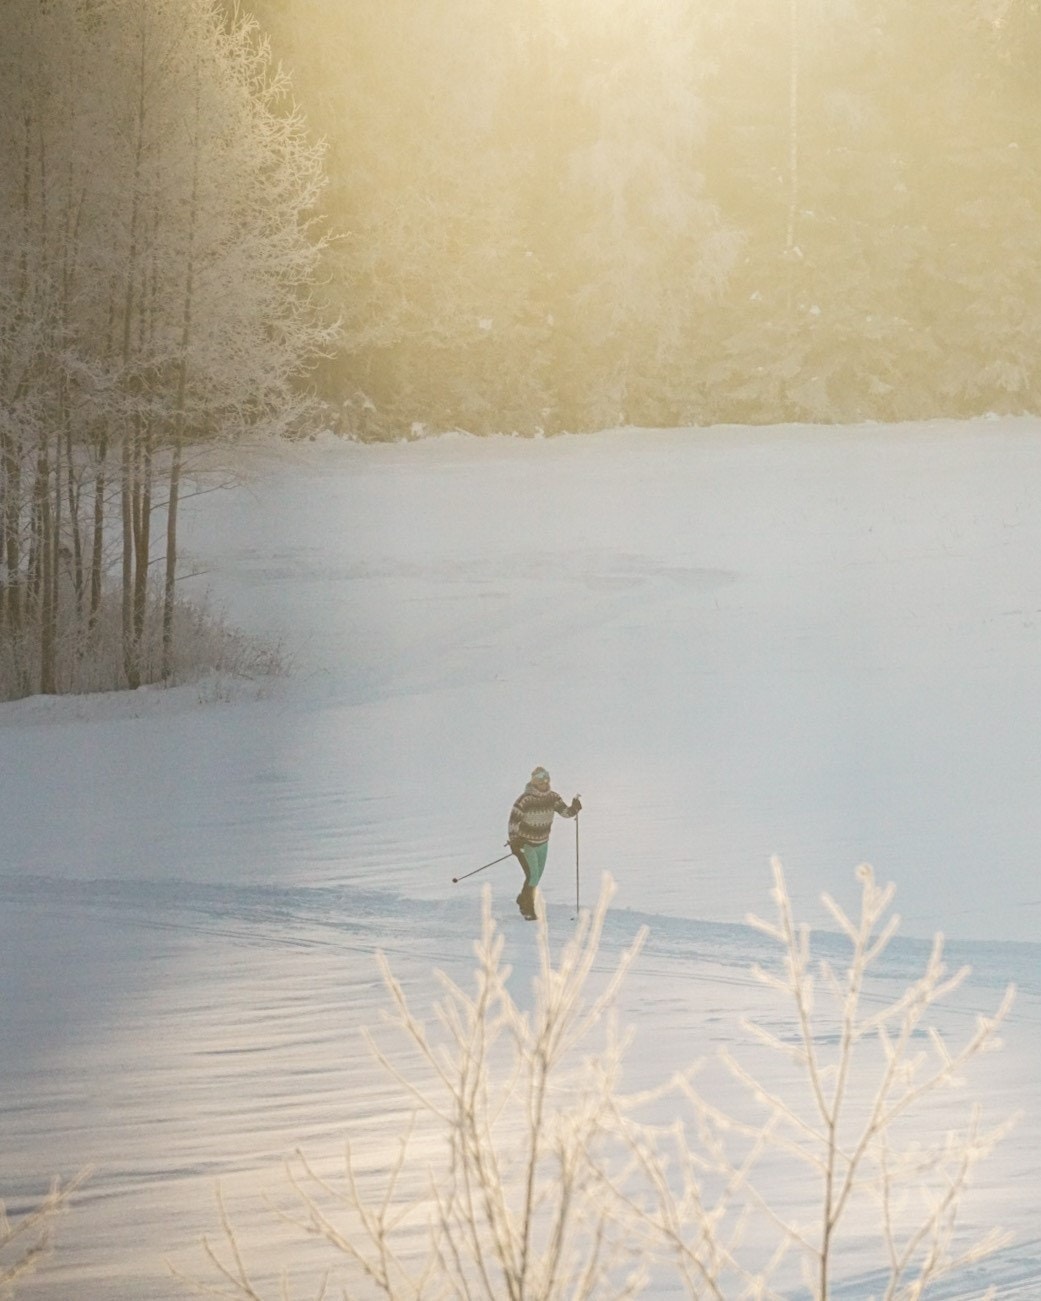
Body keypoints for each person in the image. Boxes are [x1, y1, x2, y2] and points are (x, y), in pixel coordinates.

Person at [508, 766, 581, 919]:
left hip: (543, 843)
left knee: (536, 876)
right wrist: (515, 842)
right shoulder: (525, 800)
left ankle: (523, 898)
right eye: (541, 779)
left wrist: (574, 808)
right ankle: (527, 909)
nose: (545, 782)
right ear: (534, 781)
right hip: (525, 844)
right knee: (533, 876)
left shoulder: (553, 797)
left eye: (546, 778)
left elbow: (565, 813)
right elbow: (513, 822)